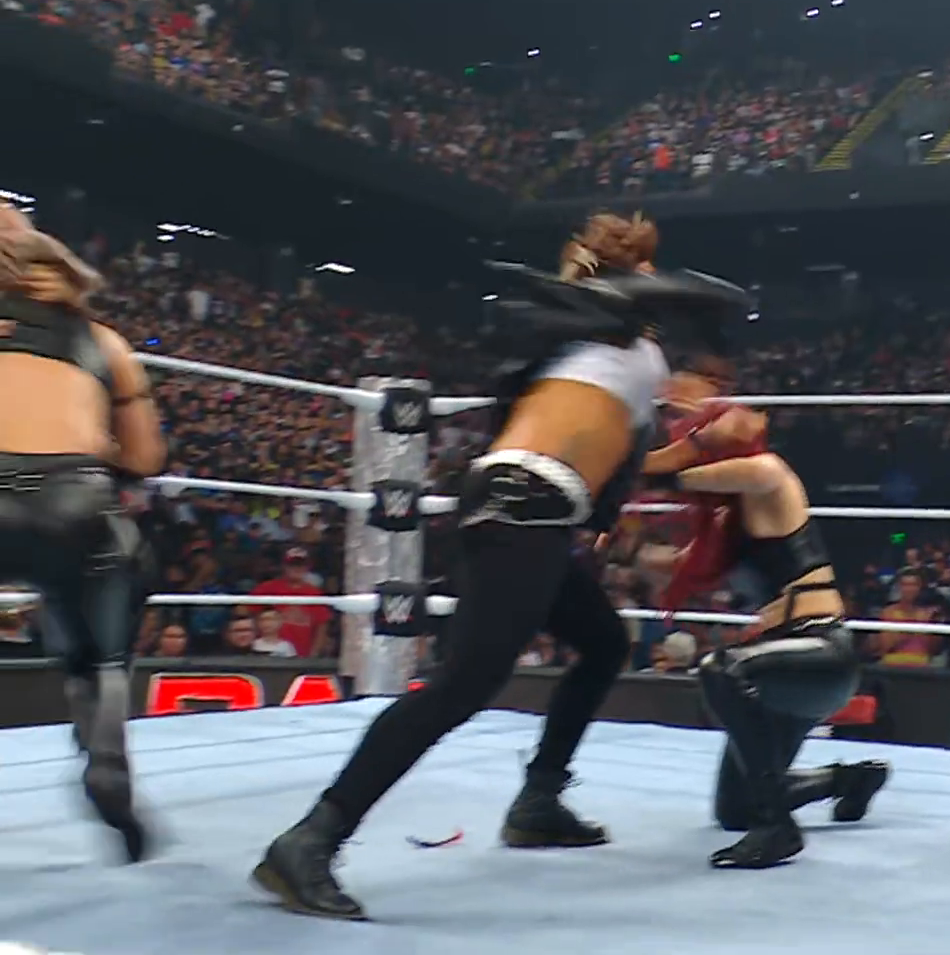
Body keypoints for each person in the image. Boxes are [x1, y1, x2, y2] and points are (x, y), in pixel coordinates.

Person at [253, 212, 749, 919]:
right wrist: (694, 313)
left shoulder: (609, 348)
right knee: (464, 685)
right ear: (624, 276)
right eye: (644, 268)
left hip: (534, 505)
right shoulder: (603, 323)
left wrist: (702, 448)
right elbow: (674, 304)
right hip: (524, 503)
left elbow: (630, 455)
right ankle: (312, 839)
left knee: (603, 641)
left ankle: (539, 800)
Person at [640, 362, 889, 870]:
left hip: (822, 653)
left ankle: (779, 828)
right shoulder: (727, 524)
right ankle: (849, 778)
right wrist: (622, 550)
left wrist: (668, 453)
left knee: (719, 669)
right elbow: (670, 562)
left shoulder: (768, 474)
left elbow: (672, 475)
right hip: (780, 669)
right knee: (734, 810)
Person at [0, 205, 167, 861]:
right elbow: (145, 459)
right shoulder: (105, 343)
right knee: (110, 568)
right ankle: (101, 709)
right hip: (71, 500)